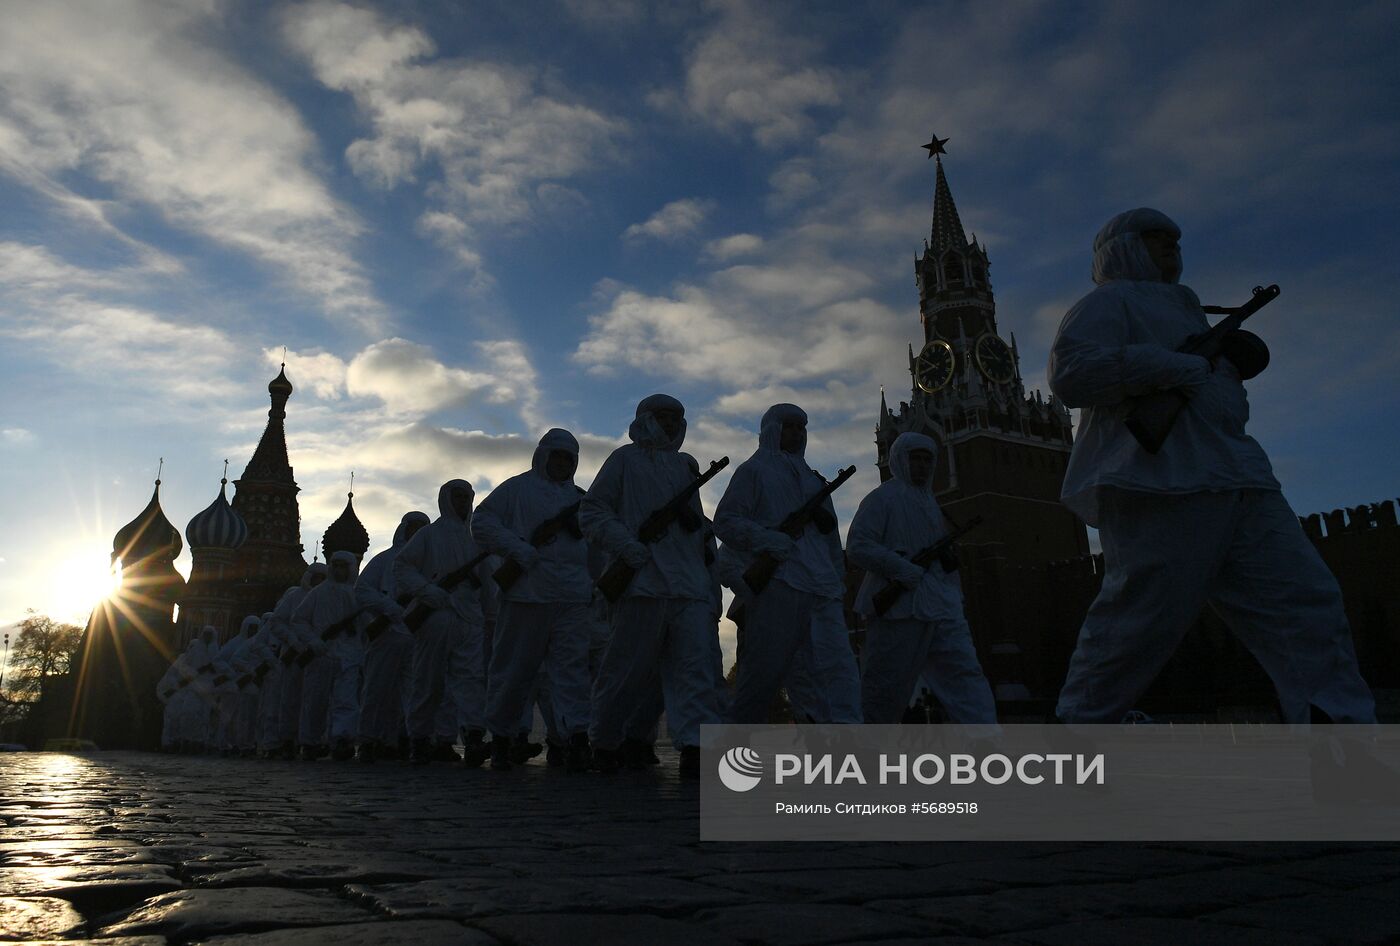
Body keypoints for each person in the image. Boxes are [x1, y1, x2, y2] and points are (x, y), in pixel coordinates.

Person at [1049, 207, 1375, 725]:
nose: (1171, 248)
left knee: (1306, 605)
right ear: (1124, 248)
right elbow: (1073, 374)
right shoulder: (1109, 302)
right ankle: (1081, 731)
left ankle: (1341, 733)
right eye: (1156, 239)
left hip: (1241, 478)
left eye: (1174, 240)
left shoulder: (1188, 310)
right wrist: (1179, 365)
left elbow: (1215, 400)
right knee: (1137, 626)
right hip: (1160, 483)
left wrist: (1222, 373)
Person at [580, 394, 723, 777]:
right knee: (626, 670)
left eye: (677, 418)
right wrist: (626, 545)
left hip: (688, 587)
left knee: (695, 671)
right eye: (664, 417)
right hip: (642, 583)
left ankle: (695, 745)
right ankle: (605, 740)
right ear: (646, 419)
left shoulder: (683, 467)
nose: (671, 424)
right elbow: (592, 511)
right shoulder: (624, 460)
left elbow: (695, 529)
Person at [716, 403, 862, 725]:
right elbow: (725, 521)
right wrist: (770, 540)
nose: (796, 433)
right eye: (789, 427)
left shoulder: (814, 481)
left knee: (836, 668)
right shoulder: (753, 471)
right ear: (773, 430)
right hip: (780, 583)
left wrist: (837, 581)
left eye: (800, 427)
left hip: (821, 587)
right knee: (763, 671)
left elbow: (830, 541)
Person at [848, 432, 997, 726]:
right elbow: (858, 546)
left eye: (927, 459)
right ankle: (870, 745)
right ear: (900, 460)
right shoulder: (883, 498)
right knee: (885, 685)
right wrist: (901, 568)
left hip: (941, 606)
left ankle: (984, 738)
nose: (922, 465)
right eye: (915, 458)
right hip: (900, 610)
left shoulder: (931, 504)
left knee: (965, 676)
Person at [472, 428, 594, 772]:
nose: (562, 463)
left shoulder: (582, 500)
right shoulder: (516, 489)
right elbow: (482, 523)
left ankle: (575, 738)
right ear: (543, 457)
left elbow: (595, 546)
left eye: (569, 458)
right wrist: (520, 550)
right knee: (513, 670)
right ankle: (502, 737)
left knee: (572, 673)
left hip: (571, 598)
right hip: (527, 595)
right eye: (557, 456)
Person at [395, 479, 495, 766]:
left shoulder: (477, 537)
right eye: (458, 497)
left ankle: (473, 737)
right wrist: (428, 592)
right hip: (436, 615)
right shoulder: (428, 535)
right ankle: (419, 739)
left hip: (470, 618)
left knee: (471, 681)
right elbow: (402, 566)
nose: (463, 502)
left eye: (467, 497)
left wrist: (491, 616)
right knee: (428, 680)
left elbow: (488, 582)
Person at [355, 510, 430, 762]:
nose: (417, 532)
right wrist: (389, 608)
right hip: (387, 634)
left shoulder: (430, 562)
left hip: (419, 636)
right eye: (414, 527)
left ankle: (407, 738)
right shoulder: (384, 560)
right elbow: (363, 590)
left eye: (422, 528)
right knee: (377, 690)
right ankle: (368, 739)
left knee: (414, 692)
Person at [290, 551, 362, 759]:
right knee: (315, 701)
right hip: (322, 654)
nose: (339, 570)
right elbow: (299, 620)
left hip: (349, 655)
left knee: (346, 700)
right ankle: (310, 742)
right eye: (335, 566)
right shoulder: (318, 593)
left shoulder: (358, 594)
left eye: (343, 566)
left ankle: (341, 739)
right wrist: (314, 641)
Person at [269, 563, 327, 759]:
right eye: (316, 577)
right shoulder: (294, 596)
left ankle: (311, 740)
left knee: (315, 700)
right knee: (290, 699)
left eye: (322, 578)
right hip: (294, 655)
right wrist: (294, 641)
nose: (318, 581)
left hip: (316, 655)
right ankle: (287, 740)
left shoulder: (326, 597)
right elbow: (277, 622)